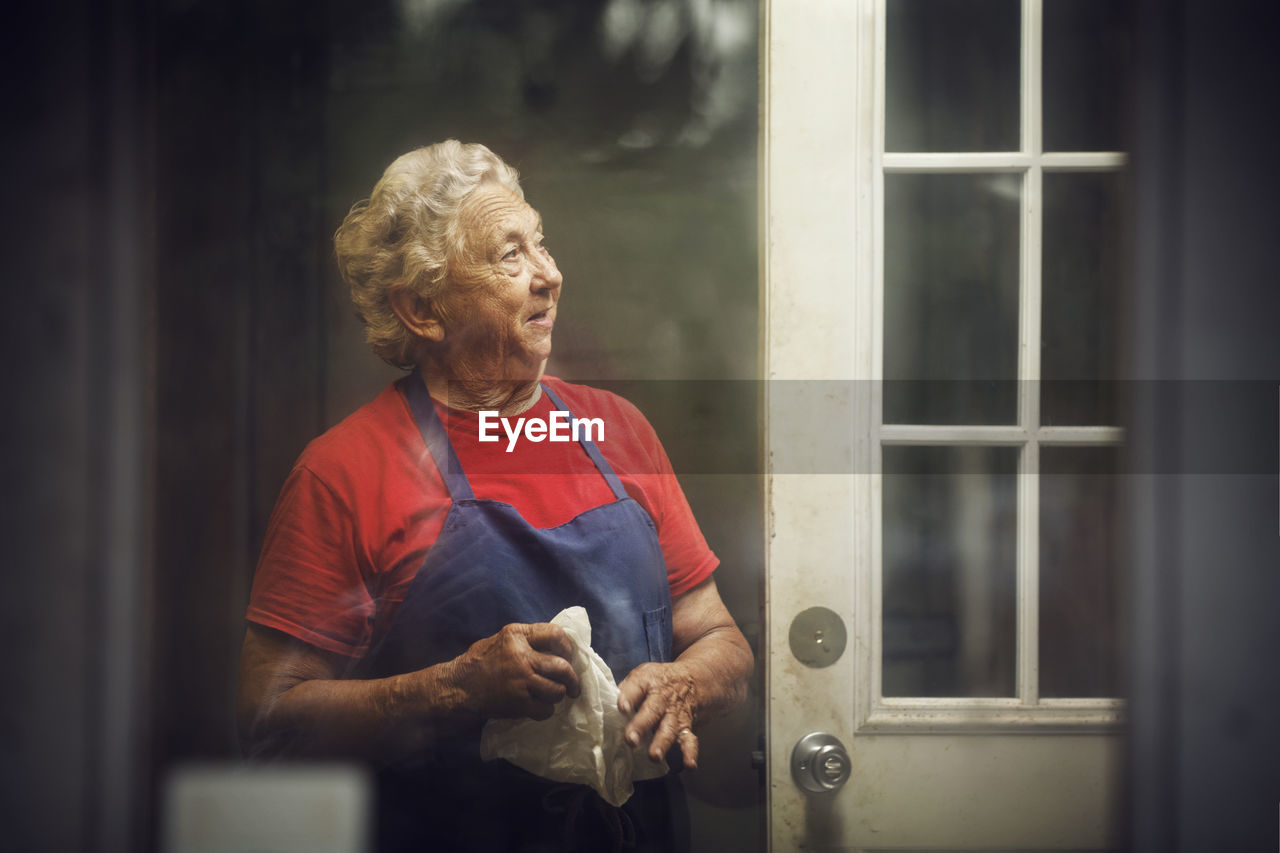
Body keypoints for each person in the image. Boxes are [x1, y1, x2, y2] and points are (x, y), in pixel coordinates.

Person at [236, 140, 753, 852]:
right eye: (511, 256)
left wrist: (685, 684)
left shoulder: (621, 432)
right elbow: (273, 719)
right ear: (421, 308)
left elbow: (720, 637)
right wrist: (455, 687)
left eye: (540, 243)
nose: (550, 274)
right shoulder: (344, 472)